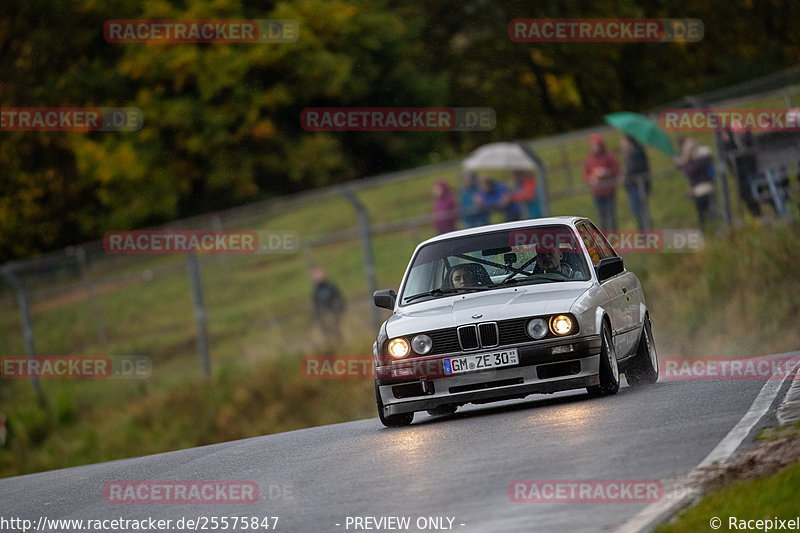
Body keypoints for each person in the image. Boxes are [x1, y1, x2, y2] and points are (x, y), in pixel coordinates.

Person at [675, 137, 716, 229]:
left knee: (707, 213)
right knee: (703, 214)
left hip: (704, 187)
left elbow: (691, 173)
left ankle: (711, 230)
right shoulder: (698, 158)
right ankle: (708, 231)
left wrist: (684, 164)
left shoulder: (700, 159)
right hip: (699, 188)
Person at [721, 124, 761, 217]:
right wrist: (727, 142)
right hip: (741, 173)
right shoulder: (730, 143)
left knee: (751, 187)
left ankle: (757, 212)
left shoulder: (748, 138)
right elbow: (731, 161)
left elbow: (752, 148)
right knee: (745, 191)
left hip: (753, 169)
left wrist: (745, 133)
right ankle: (755, 214)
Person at [583, 134, 620, 231]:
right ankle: (605, 238)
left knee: (612, 216)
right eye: (593, 145)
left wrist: (606, 172)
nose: (595, 148)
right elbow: (586, 174)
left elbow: (615, 170)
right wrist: (591, 178)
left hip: (609, 191)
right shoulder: (589, 160)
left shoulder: (608, 156)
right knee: (601, 218)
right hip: (597, 192)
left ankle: (614, 237)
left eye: (597, 145)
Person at [620, 135, 652, 230]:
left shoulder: (637, 152)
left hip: (638, 186)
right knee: (636, 211)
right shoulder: (631, 153)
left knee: (641, 211)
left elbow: (635, 168)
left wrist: (626, 170)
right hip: (632, 186)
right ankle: (643, 231)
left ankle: (647, 231)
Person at [311, 267, 345, 342]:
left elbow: (339, 300)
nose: (317, 277)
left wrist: (337, 312)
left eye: (319, 274)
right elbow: (316, 307)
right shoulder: (316, 292)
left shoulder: (331, 287)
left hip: (335, 316)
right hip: (324, 319)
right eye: (315, 275)